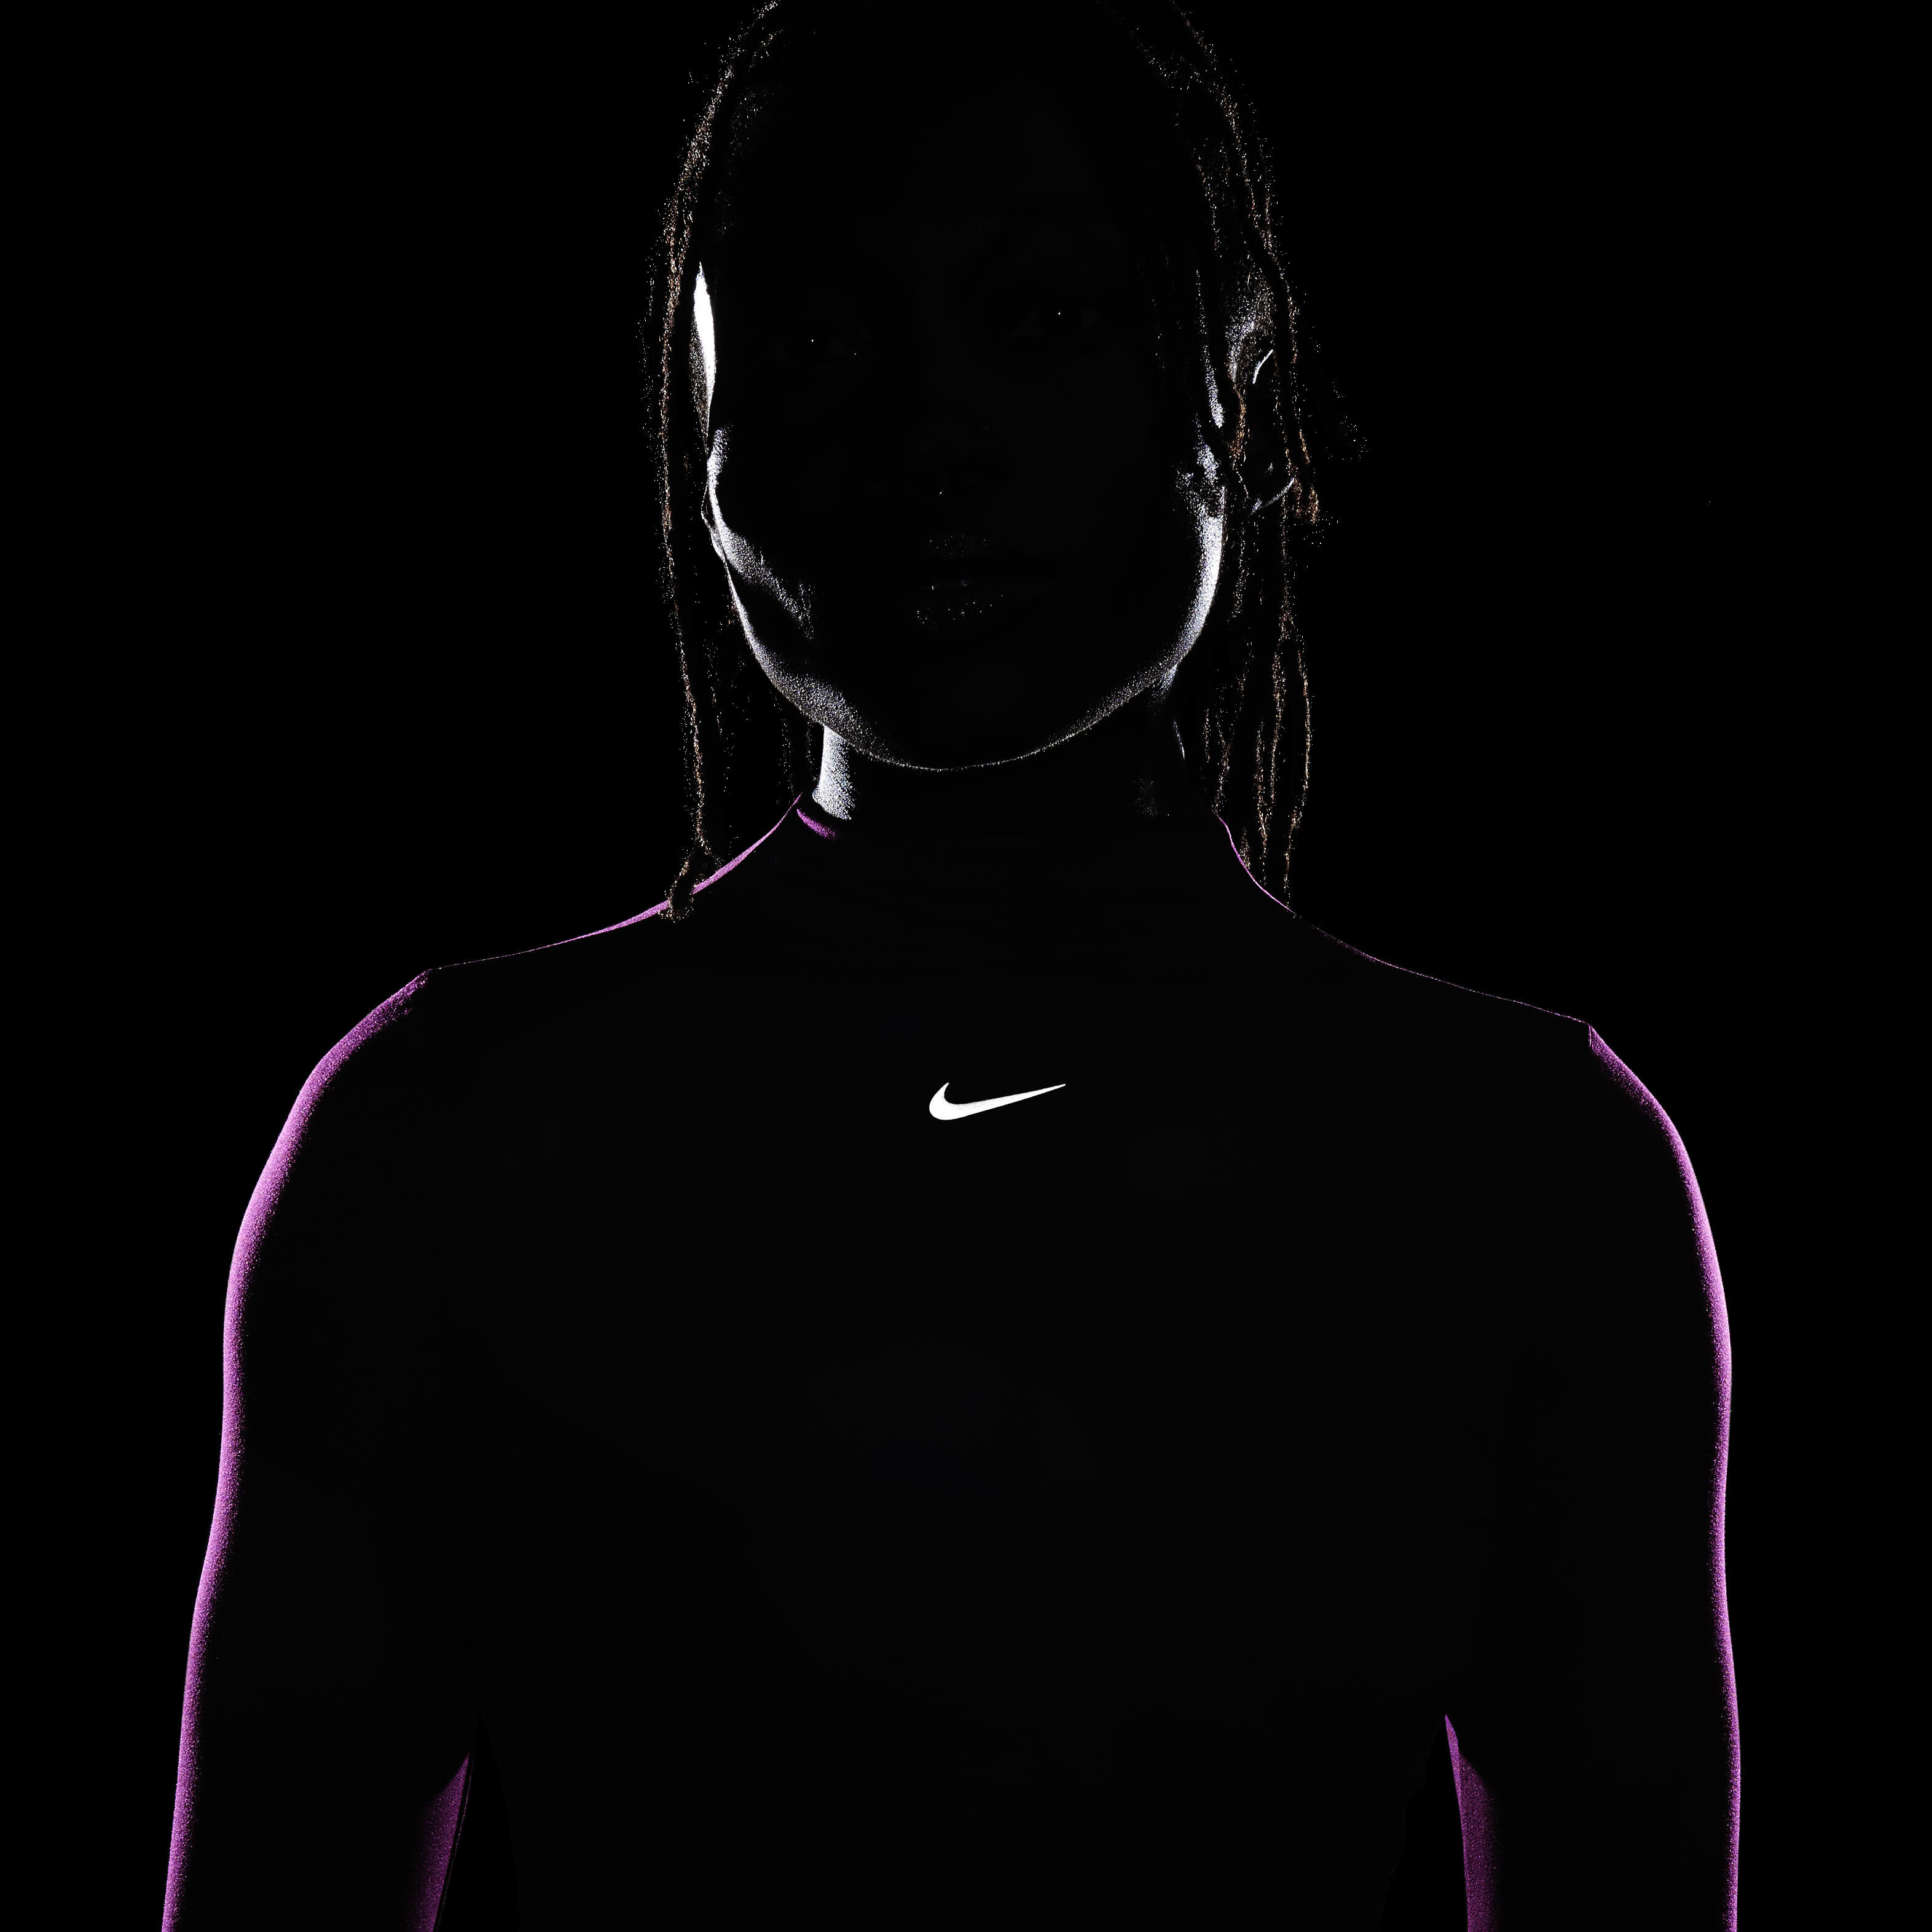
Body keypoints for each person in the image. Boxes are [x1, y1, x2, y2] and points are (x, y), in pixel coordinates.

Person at [163, 3, 1739, 1926]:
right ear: (701, 423)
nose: (931, 440)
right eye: (818, 342)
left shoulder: (1527, 1170)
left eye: (1047, 318)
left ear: (1239, 382)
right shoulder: (437, 1138)